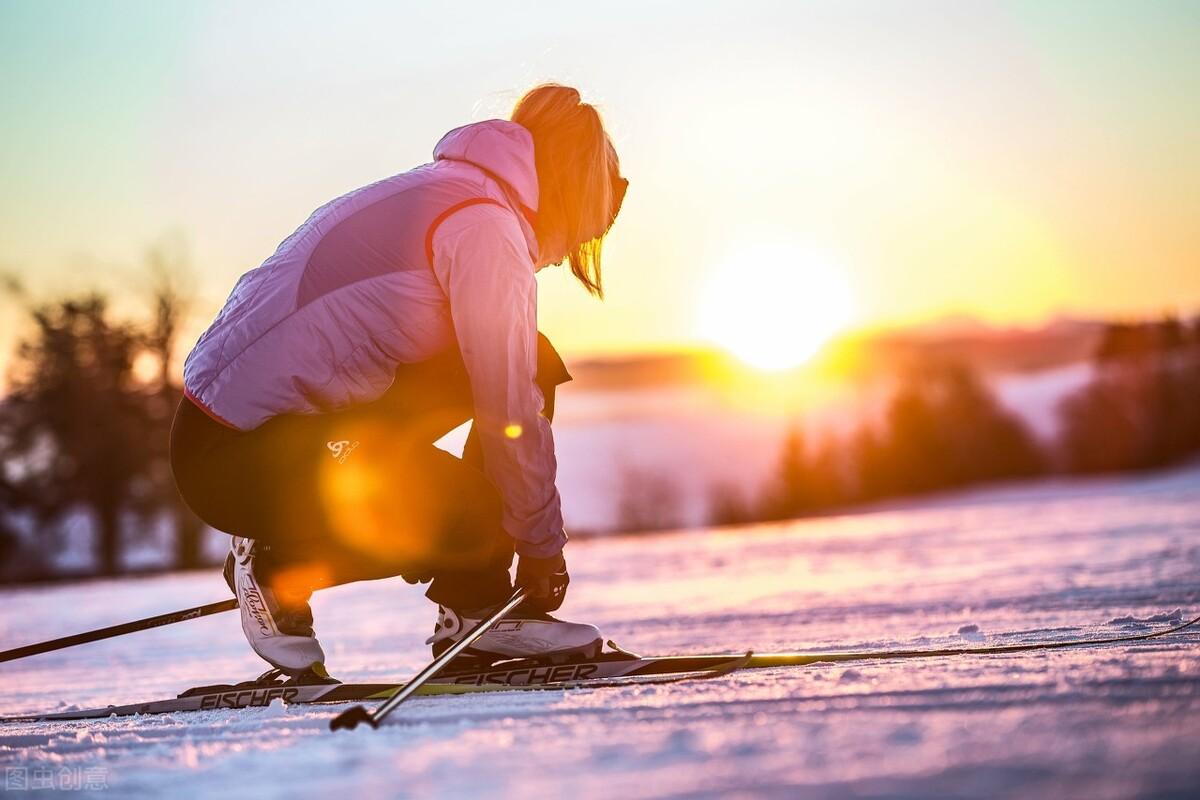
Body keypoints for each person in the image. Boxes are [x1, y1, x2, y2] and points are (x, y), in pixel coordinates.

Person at [170, 84, 627, 681]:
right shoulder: (485, 228)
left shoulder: (462, 194)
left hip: (273, 425)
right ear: (572, 190)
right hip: (236, 456)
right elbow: (507, 407)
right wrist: (541, 546)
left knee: (532, 358)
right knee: (467, 508)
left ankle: (475, 604)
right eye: (587, 228)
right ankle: (277, 564)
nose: (570, 252)